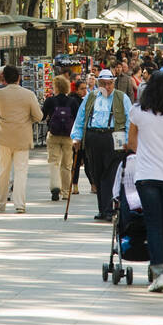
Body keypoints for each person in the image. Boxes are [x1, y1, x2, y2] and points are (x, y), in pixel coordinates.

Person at [128, 70, 163, 291]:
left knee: (153, 223)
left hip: (147, 174)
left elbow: (132, 142)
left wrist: (146, 150)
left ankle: (159, 271)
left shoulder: (137, 112)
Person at [71, 69, 133, 222]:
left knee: (110, 174)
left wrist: (127, 140)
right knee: (96, 174)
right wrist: (76, 137)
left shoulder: (121, 97)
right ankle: (102, 209)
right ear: (98, 84)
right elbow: (81, 118)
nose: (107, 86)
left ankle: (109, 210)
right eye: (104, 84)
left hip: (114, 137)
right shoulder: (90, 97)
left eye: (110, 83)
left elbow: (130, 121)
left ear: (114, 83)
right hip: (93, 137)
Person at [0, 65, 43, 213]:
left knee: (3, 170)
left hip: (3, 137)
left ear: (3, 78)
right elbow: (38, 116)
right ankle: (19, 204)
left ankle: (0, 201)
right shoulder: (28, 94)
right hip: (22, 138)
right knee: (21, 171)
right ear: (19, 78)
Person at [42, 76, 78, 200]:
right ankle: (66, 192)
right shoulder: (72, 102)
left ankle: (55, 187)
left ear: (56, 87)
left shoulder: (50, 101)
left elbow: (42, 116)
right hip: (68, 136)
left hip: (53, 135)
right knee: (67, 164)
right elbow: (78, 119)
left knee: (53, 162)